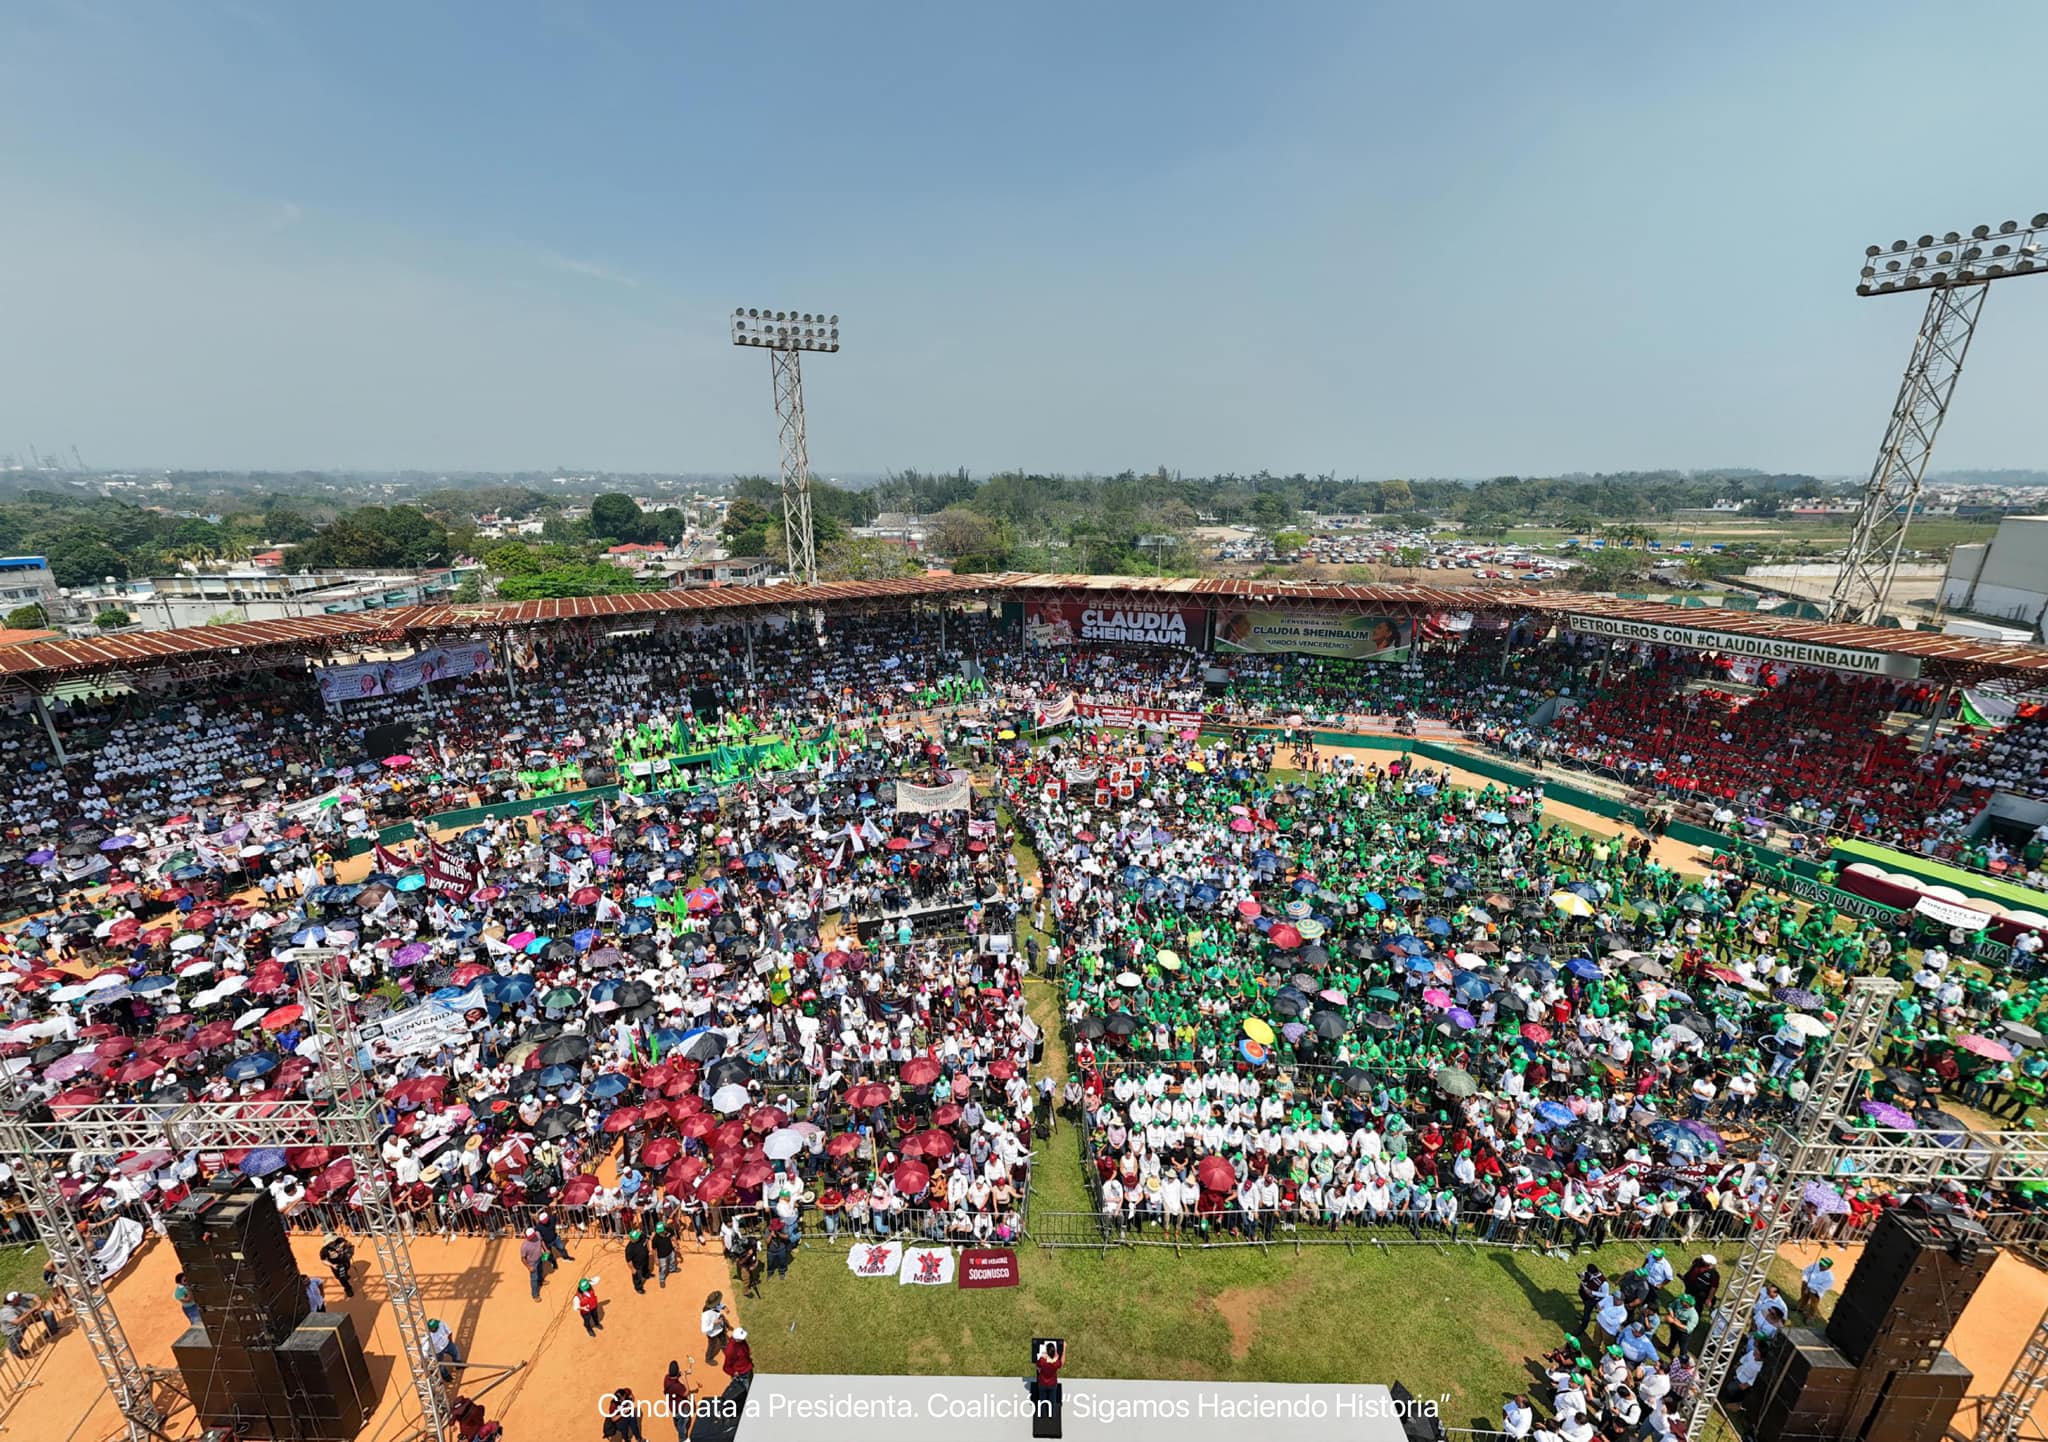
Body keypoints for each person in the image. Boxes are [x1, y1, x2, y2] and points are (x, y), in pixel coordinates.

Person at [663, 1360, 698, 1442]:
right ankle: (682, 1439)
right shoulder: (677, 1386)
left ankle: (677, 1425)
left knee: (677, 1419)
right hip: (680, 1407)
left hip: (672, 1405)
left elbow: (676, 1375)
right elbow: (687, 1392)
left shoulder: (666, 1378)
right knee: (683, 1421)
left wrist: (685, 1372)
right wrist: (685, 1378)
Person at [424, 1317, 462, 1385]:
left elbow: (449, 1332)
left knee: (455, 1350)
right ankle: (446, 1376)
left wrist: (450, 1342)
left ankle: (458, 1364)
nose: (438, 1327)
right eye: (436, 1327)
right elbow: (424, 1350)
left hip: (447, 1344)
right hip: (437, 1352)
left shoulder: (441, 1324)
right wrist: (428, 1359)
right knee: (440, 1365)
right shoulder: (427, 1337)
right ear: (431, 1329)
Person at [320, 1232, 356, 1299]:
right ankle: (348, 1288)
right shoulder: (324, 1250)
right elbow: (323, 1260)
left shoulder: (340, 1240)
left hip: (345, 1260)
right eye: (330, 1243)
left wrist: (343, 1245)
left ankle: (346, 1274)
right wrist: (332, 1265)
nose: (333, 1243)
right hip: (336, 1265)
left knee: (347, 1267)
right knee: (341, 1277)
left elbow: (348, 1243)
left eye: (333, 1241)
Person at [520, 1227, 549, 1301]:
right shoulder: (524, 1246)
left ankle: (541, 1281)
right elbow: (523, 1259)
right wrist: (529, 1267)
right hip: (532, 1263)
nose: (533, 1238)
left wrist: (545, 1249)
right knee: (534, 1279)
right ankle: (535, 1295)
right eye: (530, 1237)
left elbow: (541, 1241)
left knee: (540, 1271)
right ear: (526, 1236)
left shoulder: (538, 1234)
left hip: (540, 1258)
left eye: (533, 1236)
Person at [700, 1292, 729, 1363]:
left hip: (720, 1328)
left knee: (724, 1340)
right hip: (712, 1333)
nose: (719, 1303)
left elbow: (719, 1305)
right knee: (712, 1346)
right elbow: (703, 1329)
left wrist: (724, 1307)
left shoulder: (715, 1305)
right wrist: (713, 1324)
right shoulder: (706, 1315)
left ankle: (726, 1350)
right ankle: (708, 1359)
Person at [626, 1229, 653, 1294]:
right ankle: (638, 1287)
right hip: (637, 1265)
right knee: (637, 1276)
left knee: (646, 1267)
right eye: (636, 1238)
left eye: (638, 1236)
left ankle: (646, 1274)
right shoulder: (629, 1249)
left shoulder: (642, 1236)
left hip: (645, 1258)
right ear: (631, 1239)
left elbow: (647, 1240)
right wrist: (632, 1269)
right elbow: (629, 1261)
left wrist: (649, 1249)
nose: (638, 1238)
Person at [652, 1223, 678, 1288]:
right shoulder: (655, 1239)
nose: (660, 1233)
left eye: (661, 1231)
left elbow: (673, 1236)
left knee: (673, 1260)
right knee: (662, 1268)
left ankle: (672, 1269)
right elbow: (654, 1250)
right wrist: (655, 1259)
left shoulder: (669, 1230)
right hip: (662, 1256)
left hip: (670, 1251)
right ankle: (662, 1279)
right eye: (659, 1232)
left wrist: (676, 1244)